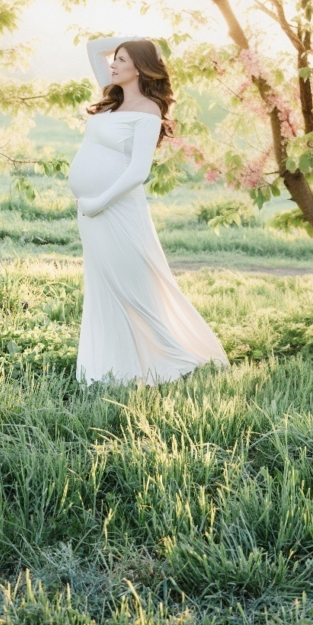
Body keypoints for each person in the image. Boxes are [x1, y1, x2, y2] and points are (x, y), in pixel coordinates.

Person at [67, 34, 230, 386]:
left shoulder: (148, 112)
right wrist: (134, 40)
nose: (112, 64)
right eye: (116, 59)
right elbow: (94, 46)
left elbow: (138, 171)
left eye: (122, 60)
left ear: (140, 68)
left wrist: (98, 201)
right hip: (92, 212)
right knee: (104, 284)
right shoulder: (113, 102)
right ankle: (114, 366)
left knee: (131, 285)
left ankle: (171, 358)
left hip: (115, 209)